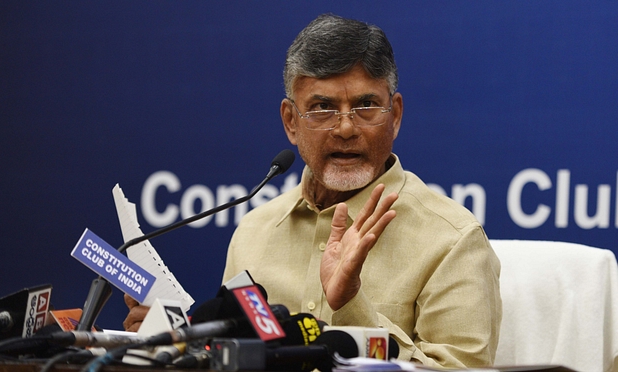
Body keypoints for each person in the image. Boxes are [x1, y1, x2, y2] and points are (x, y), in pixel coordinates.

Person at [125, 13, 502, 368]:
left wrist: (353, 304)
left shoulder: (453, 239)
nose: (345, 128)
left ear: (395, 116)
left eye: (366, 105)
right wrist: (176, 345)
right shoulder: (254, 233)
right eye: (322, 108)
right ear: (291, 121)